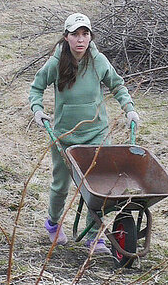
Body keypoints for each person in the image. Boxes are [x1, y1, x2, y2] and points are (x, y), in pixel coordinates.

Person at [28, 13, 140, 254]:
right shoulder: (57, 62)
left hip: (96, 133)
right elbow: (36, 87)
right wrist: (37, 110)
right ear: (66, 37)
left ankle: (94, 237)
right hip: (65, 135)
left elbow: (117, 84)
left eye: (85, 34)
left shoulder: (98, 61)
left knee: (98, 185)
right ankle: (54, 223)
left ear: (90, 36)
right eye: (75, 34)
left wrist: (129, 109)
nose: (81, 39)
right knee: (61, 184)